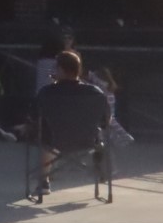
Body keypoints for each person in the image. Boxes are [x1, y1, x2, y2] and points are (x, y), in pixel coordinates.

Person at [33, 50, 112, 196]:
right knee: (99, 133)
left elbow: (34, 116)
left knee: (44, 133)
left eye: (55, 68)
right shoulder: (95, 92)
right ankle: (99, 170)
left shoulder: (46, 92)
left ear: (61, 70)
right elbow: (106, 120)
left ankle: (44, 182)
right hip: (88, 140)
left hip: (55, 140)